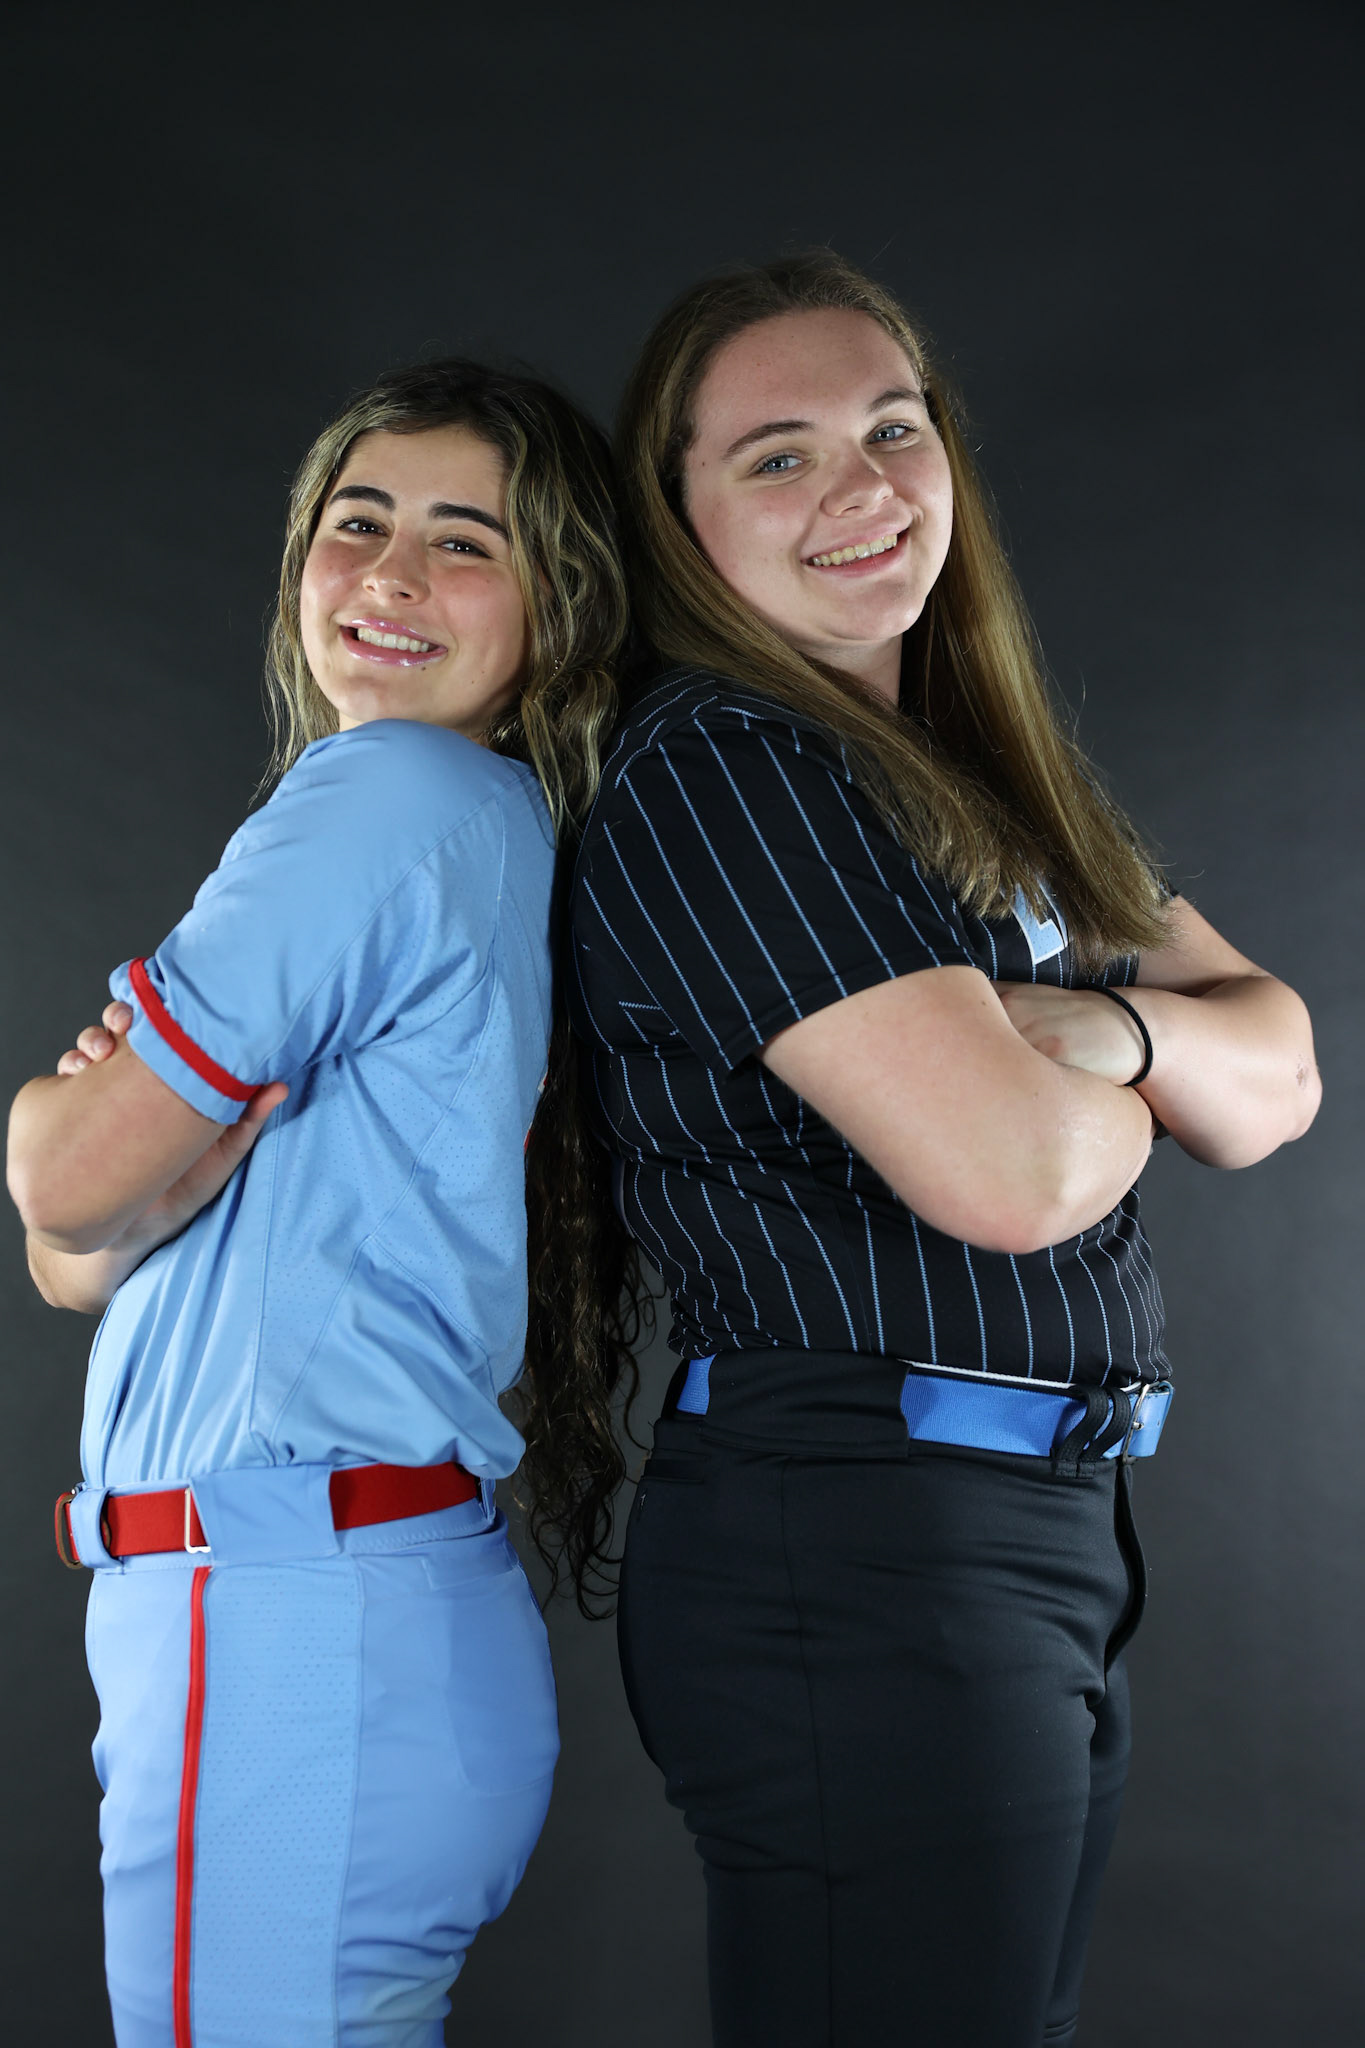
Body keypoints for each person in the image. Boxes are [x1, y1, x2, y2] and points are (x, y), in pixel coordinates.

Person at [567, 253, 1322, 2047]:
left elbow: (1281, 1071)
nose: (861, 487)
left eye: (891, 430)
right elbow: (1014, 1179)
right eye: (777, 454)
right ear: (677, 518)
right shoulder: (729, 770)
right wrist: (1128, 1070)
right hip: (861, 1541)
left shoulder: (968, 779)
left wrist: (1111, 1036)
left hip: (1026, 1531)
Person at [6, 357, 634, 2048]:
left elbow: (62, 1184)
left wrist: (50, 1132)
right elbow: (79, 1265)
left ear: (558, 610)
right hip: (342, 1617)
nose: (391, 576)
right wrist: (103, 1193)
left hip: (287, 1617)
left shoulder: (387, 798)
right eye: (358, 523)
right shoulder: (470, 821)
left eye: (465, 541)